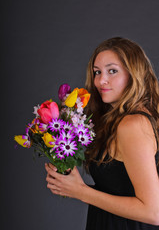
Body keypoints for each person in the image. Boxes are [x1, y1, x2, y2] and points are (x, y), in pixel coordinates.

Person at [45, 37, 159, 229]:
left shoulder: (131, 124)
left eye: (112, 71)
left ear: (134, 74)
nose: (100, 80)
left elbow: (153, 211)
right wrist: (72, 186)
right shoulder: (129, 118)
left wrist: (81, 191)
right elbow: (123, 191)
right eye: (97, 72)